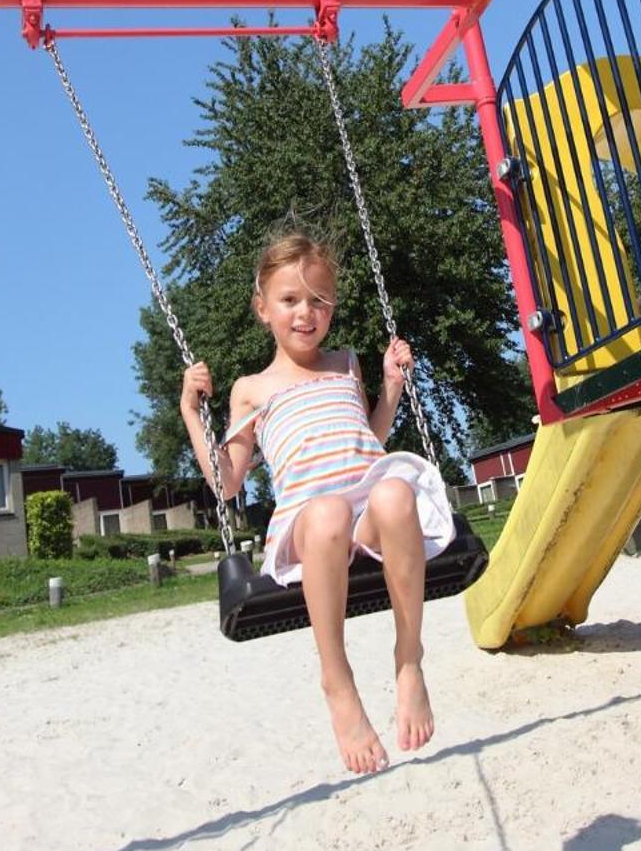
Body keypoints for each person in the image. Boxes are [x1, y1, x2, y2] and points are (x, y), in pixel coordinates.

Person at [181, 230, 457, 774]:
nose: (305, 313)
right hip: (311, 527)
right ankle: (338, 678)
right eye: (290, 300)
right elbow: (228, 482)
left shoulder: (346, 363)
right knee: (329, 511)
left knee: (395, 488)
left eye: (318, 300)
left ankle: (409, 660)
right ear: (263, 308)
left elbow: (371, 440)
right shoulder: (251, 388)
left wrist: (391, 385)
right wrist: (193, 412)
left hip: (367, 519)